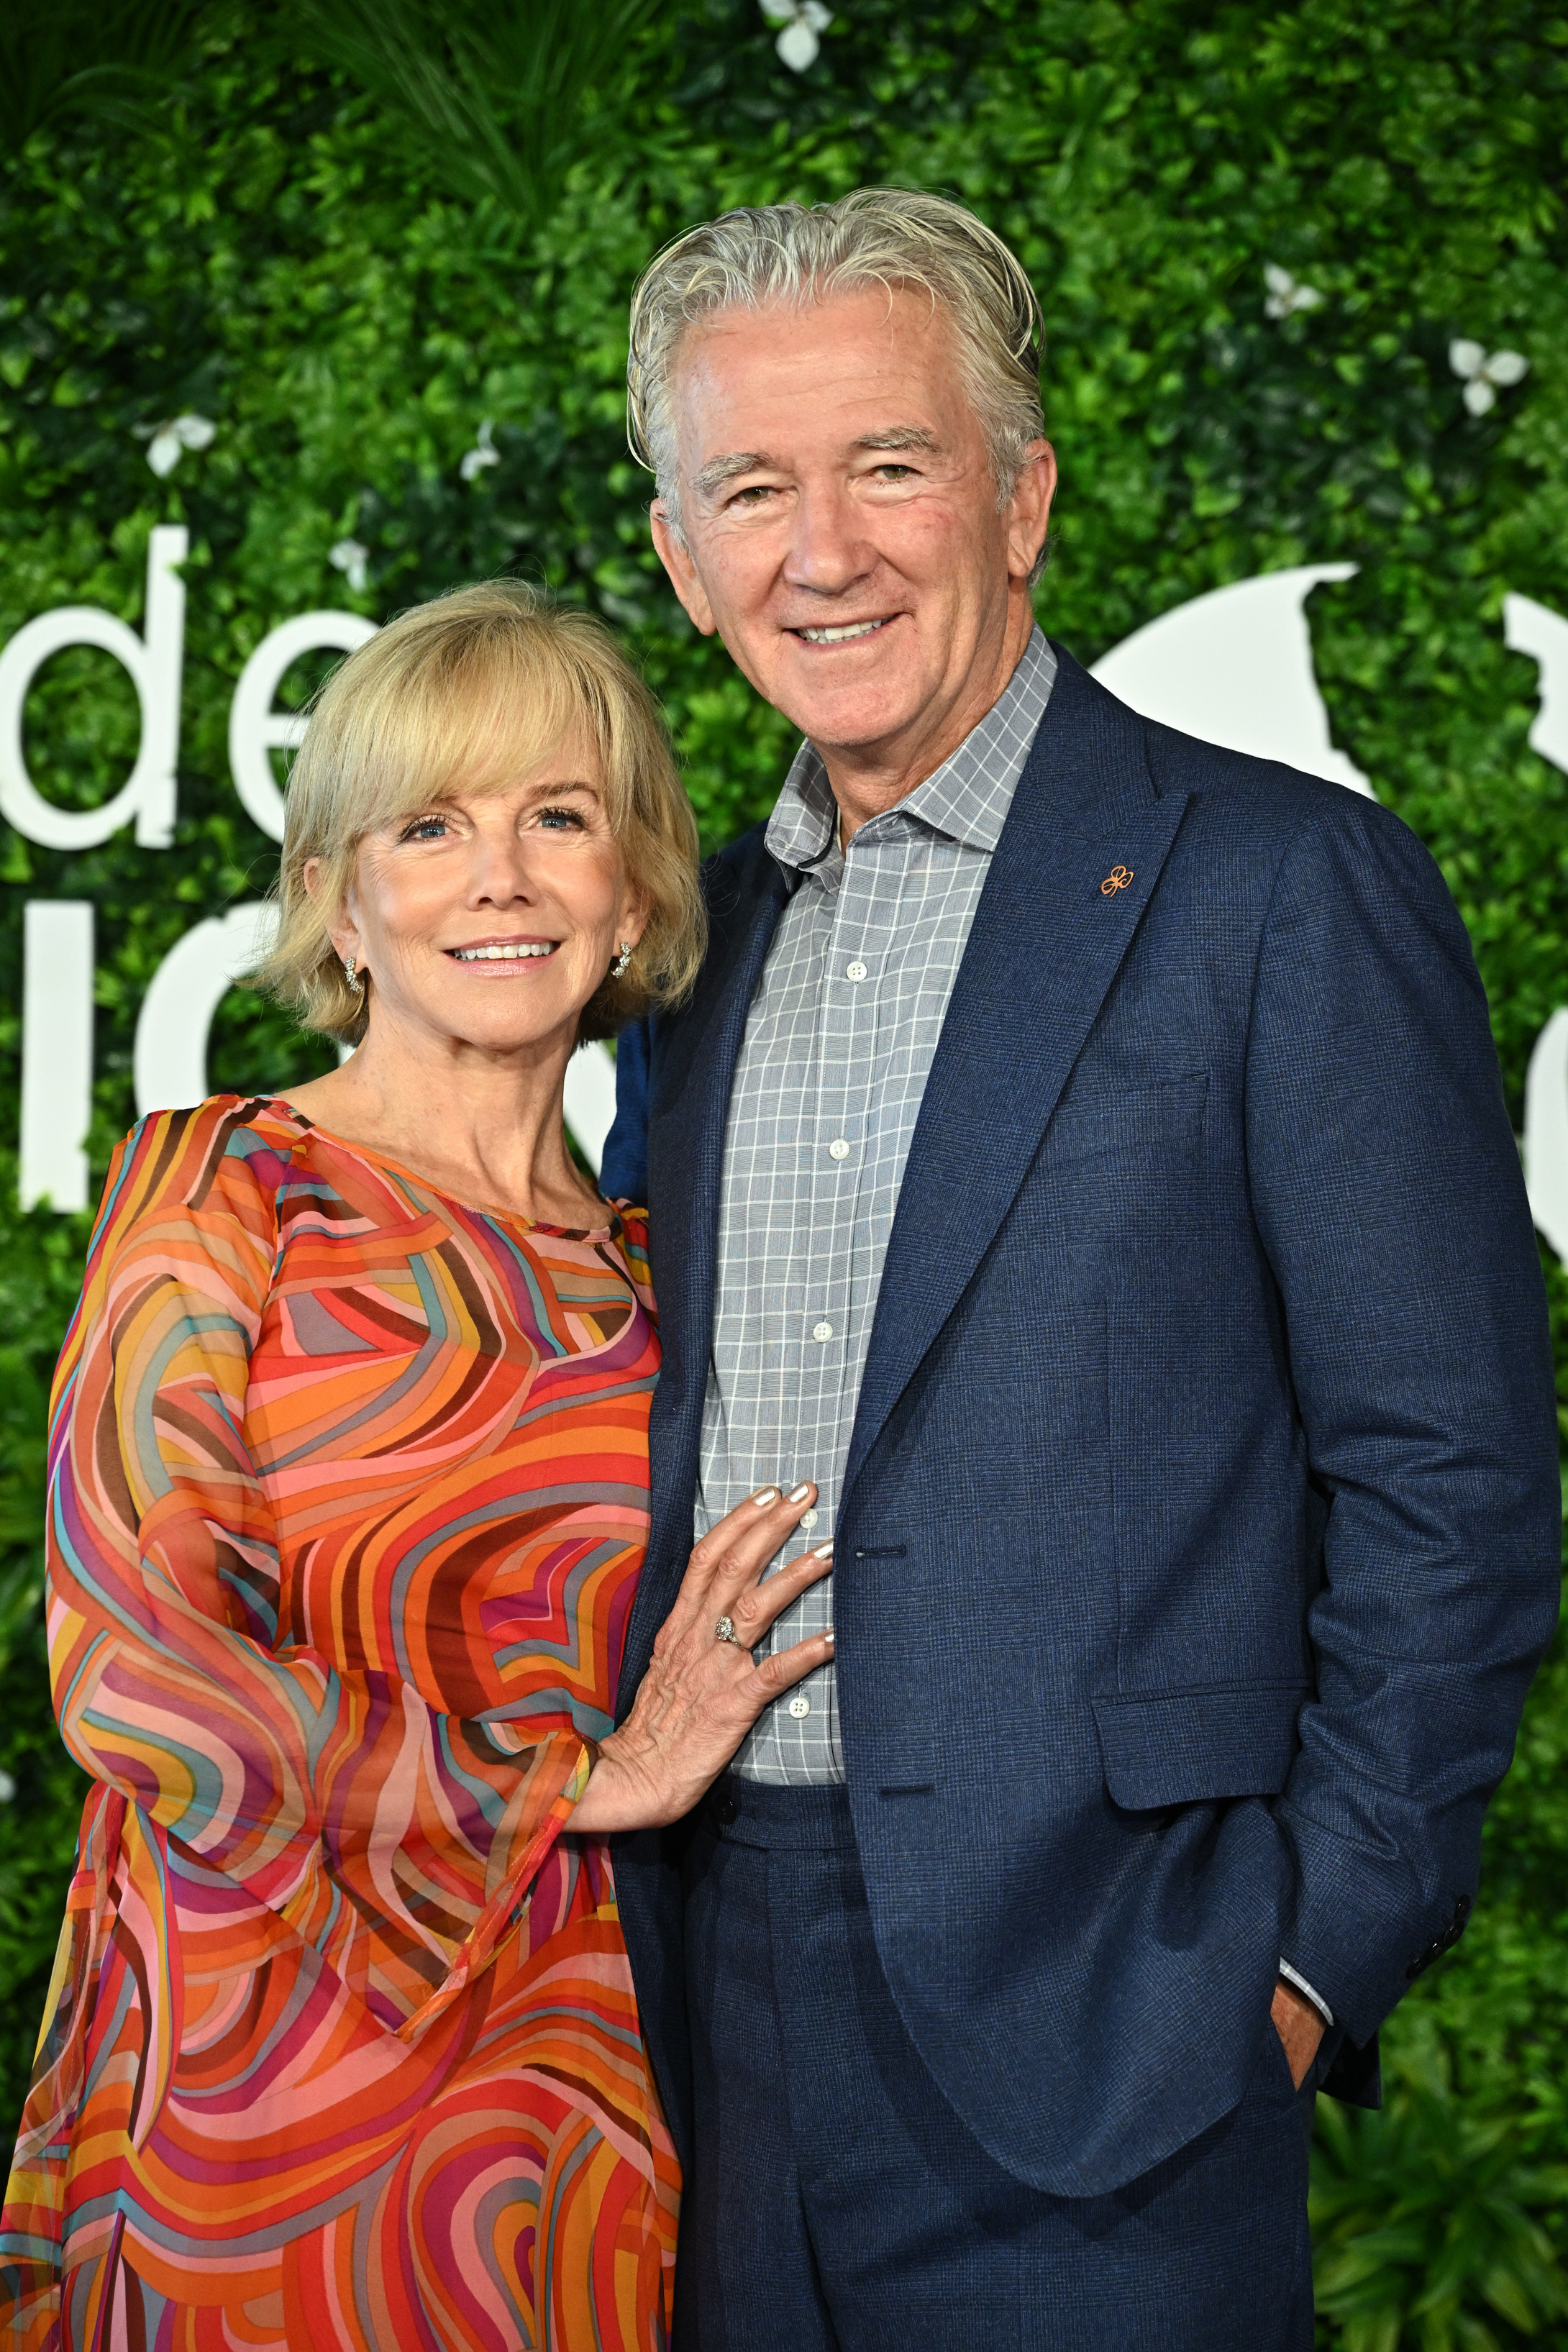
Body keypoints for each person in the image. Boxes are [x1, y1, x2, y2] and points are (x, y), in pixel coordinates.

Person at [598, 190, 1564, 2349]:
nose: (819, 547)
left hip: (1123, 2016)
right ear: (680, 558)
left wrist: (1300, 1968)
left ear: (1019, 496)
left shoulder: (1278, 886)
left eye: (890, 464)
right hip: (700, 2014)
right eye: (751, 486)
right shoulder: (685, 950)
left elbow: (1451, 1474)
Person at [0, 581, 834, 2351]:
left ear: (637, 888)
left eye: (558, 818)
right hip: (254, 2082)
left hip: (570, 2084)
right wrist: (577, 1785)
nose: (504, 877)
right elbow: (132, 1676)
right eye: (432, 825)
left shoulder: (655, 1272)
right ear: (338, 898)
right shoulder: (224, 1189)